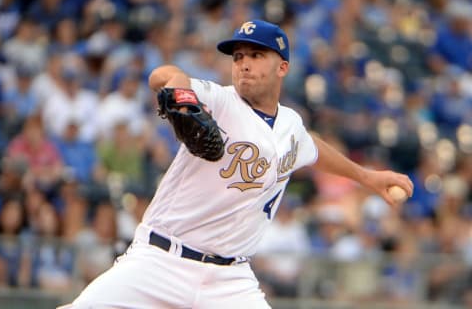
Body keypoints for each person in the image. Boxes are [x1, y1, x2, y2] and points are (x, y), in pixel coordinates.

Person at [60, 19, 413, 309]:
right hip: (160, 260)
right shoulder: (219, 100)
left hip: (230, 280)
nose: (244, 63)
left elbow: (313, 149)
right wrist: (180, 88)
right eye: (238, 56)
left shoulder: (291, 126)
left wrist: (367, 177)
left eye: (256, 55)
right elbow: (162, 76)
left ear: (283, 67)